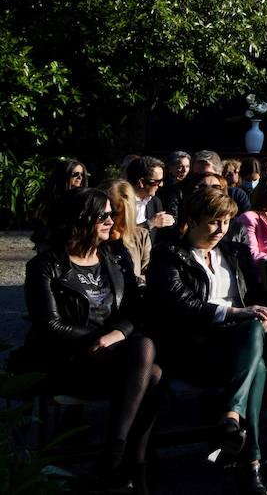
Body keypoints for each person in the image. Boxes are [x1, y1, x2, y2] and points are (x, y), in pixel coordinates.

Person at [20, 187, 163, 494]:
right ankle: (127, 466)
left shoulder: (114, 258)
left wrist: (116, 334)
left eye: (112, 214)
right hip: (69, 363)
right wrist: (101, 339)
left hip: (116, 361)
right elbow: (49, 326)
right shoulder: (45, 266)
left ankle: (119, 465)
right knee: (151, 369)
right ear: (80, 219)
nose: (111, 220)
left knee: (149, 363)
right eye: (103, 215)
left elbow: (136, 314)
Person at [146, 187, 267, 495]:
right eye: (213, 222)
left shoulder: (234, 251)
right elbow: (181, 305)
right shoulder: (169, 253)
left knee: (254, 333)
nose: (220, 229)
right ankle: (249, 460)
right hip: (194, 346)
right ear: (191, 220)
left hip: (239, 344)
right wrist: (237, 312)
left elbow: (255, 295)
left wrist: (265, 316)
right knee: (257, 366)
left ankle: (234, 427)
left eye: (226, 221)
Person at [104, 179, 152, 285]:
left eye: (120, 214)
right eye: (112, 213)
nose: (112, 221)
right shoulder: (94, 236)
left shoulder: (141, 236)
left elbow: (148, 274)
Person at [126, 156, 174, 231]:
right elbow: (119, 234)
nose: (161, 185)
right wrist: (150, 224)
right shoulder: (121, 202)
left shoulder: (155, 202)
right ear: (141, 182)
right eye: (158, 181)